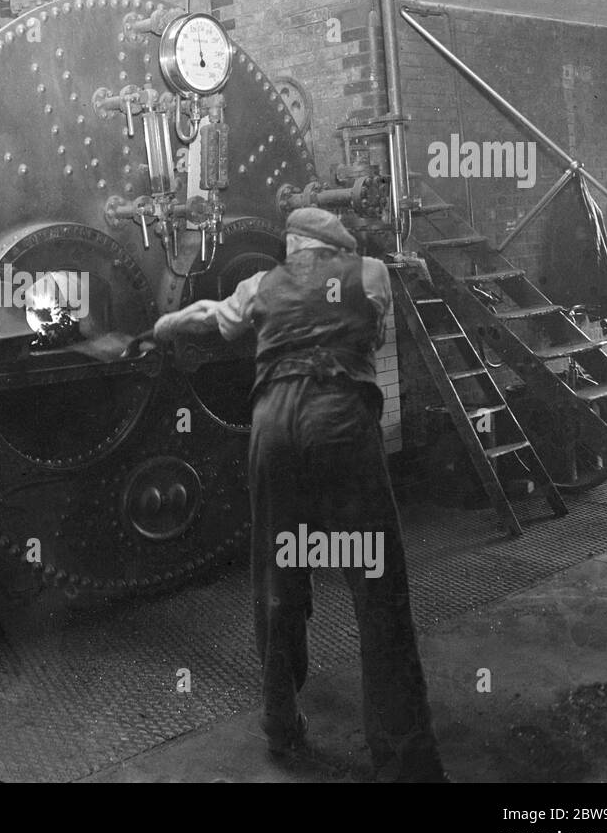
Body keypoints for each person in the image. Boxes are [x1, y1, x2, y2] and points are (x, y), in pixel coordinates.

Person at [153, 206, 446, 782]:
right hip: (339, 418)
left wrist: (165, 326)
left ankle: (281, 722)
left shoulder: (261, 284)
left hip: (273, 424)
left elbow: (210, 317)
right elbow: (378, 329)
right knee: (377, 587)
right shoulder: (369, 272)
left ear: (293, 248)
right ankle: (403, 755)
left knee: (279, 576)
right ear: (335, 247)